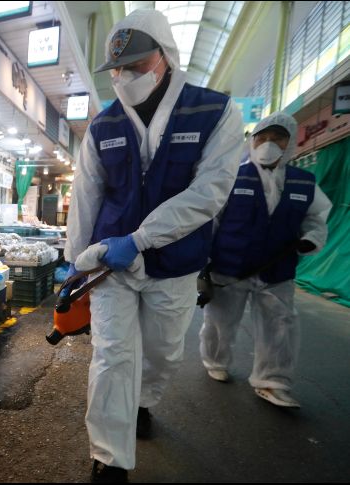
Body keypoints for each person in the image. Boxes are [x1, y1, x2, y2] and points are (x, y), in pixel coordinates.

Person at [64, 9, 244, 482]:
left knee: (162, 352)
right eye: (118, 70)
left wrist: (142, 239)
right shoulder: (102, 127)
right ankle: (109, 457)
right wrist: (74, 260)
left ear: (166, 57)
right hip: (112, 265)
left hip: (175, 261)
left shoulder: (214, 112)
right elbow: (86, 195)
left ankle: (144, 401)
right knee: (112, 356)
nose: (124, 78)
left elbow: (209, 193)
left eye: (137, 66)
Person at [199, 112, 332, 408]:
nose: (268, 144)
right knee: (220, 322)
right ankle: (215, 361)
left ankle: (272, 381)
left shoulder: (304, 183)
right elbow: (211, 221)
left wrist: (311, 239)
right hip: (229, 267)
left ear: (290, 143)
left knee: (280, 326)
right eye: (262, 137)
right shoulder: (231, 176)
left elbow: (317, 220)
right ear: (252, 141)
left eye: (277, 138)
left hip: (277, 269)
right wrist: (203, 262)